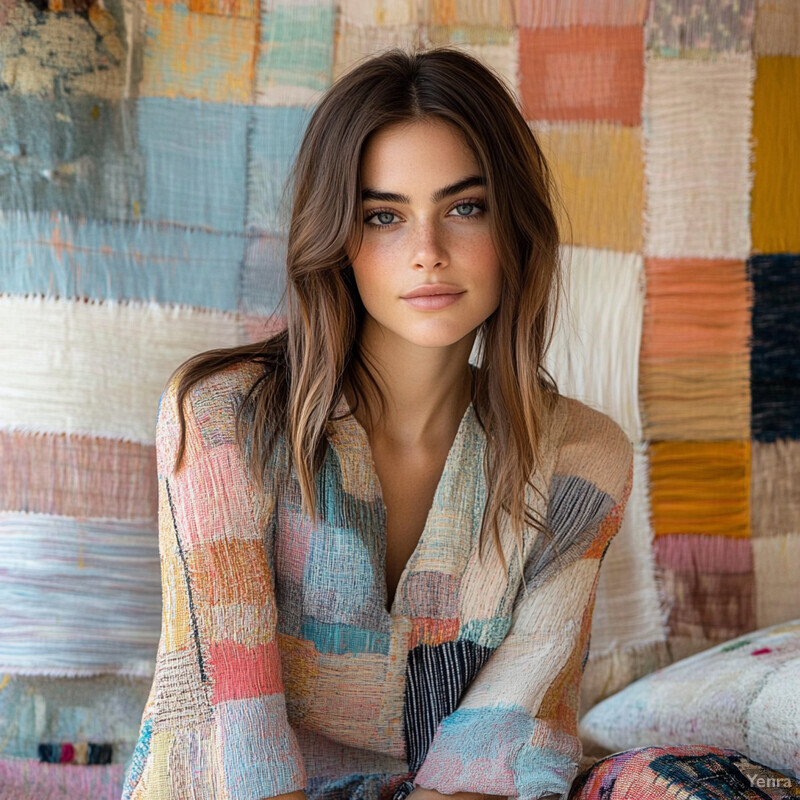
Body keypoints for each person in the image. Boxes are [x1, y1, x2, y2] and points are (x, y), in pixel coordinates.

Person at [121, 46, 633, 800]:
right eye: (384, 216)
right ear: (339, 240)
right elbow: (235, 731)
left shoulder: (582, 462)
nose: (428, 253)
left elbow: (503, 739)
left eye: (465, 207)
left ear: (515, 228)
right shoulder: (220, 418)